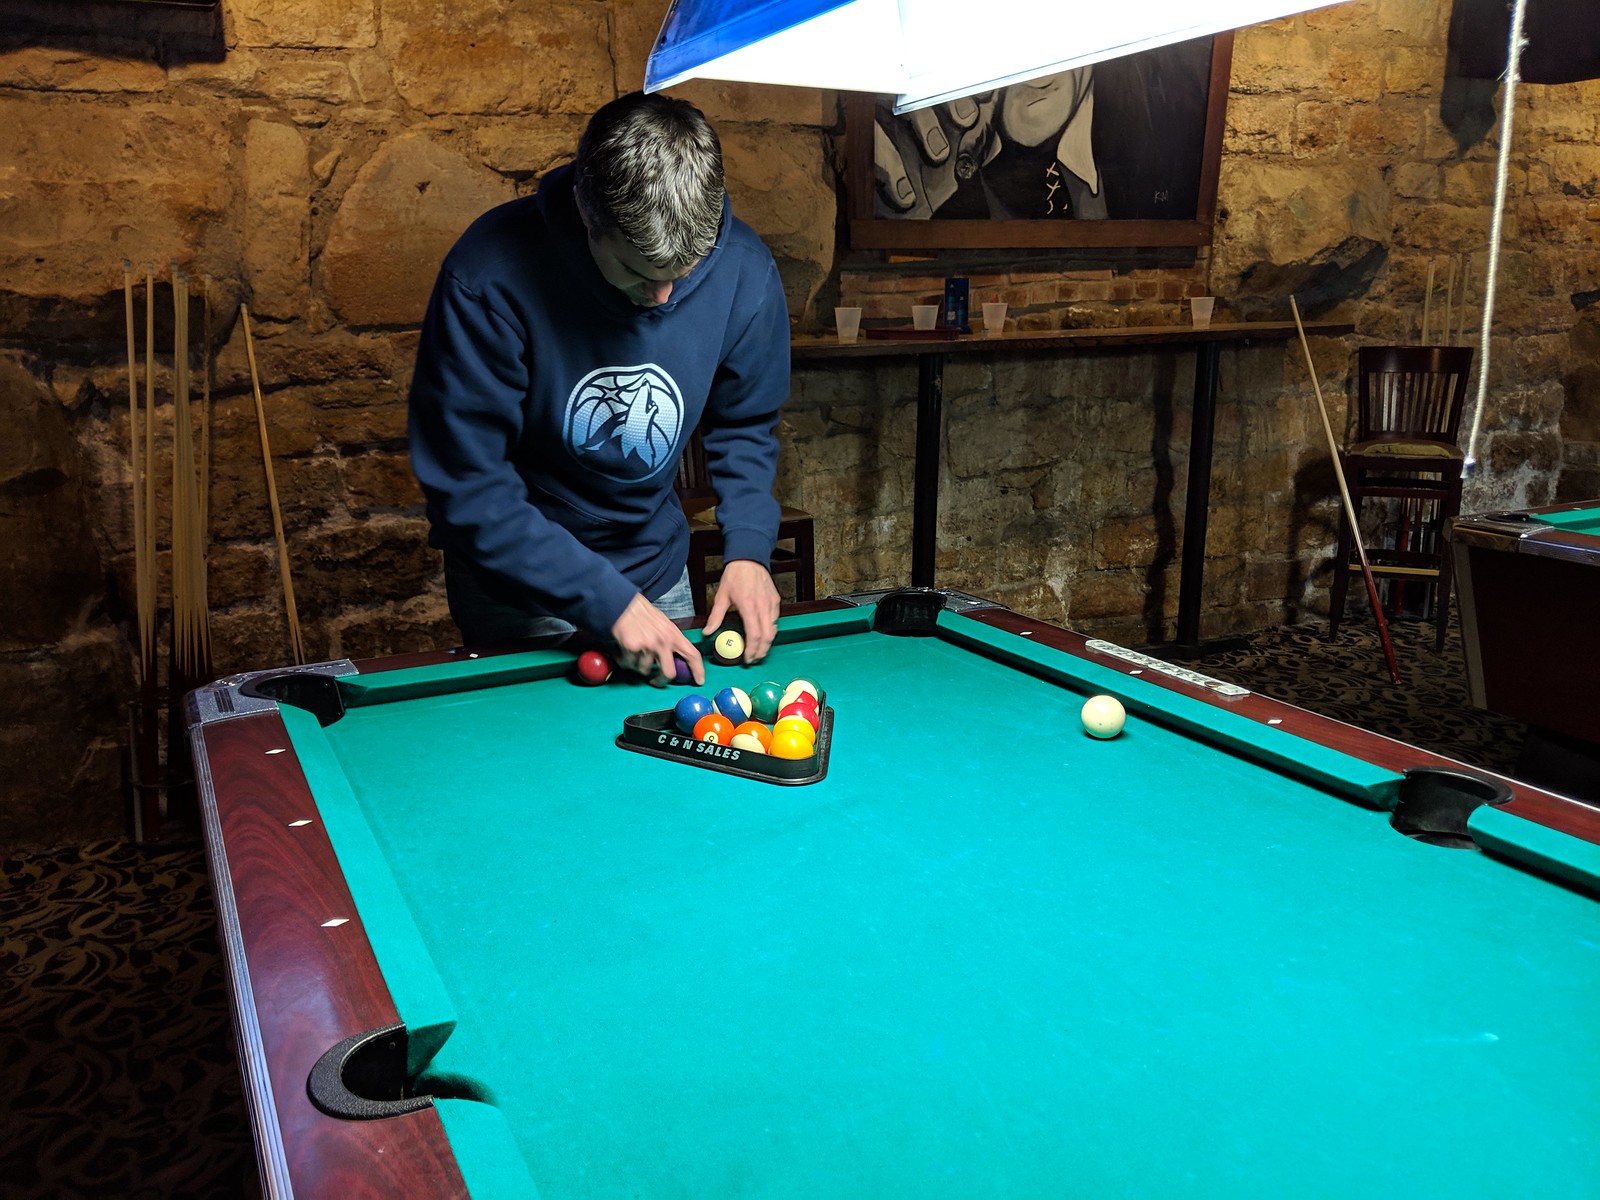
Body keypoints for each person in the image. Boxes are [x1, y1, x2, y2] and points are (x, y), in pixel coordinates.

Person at [408, 92, 790, 686]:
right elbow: (468, 484)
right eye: (638, 272)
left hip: (656, 573)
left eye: (681, 275)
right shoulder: (488, 276)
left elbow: (745, 426)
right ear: (589, 217)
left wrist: (747, 549)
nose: (662, 298)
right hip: (520, 588)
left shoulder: (743, 268)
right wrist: (603, 598)